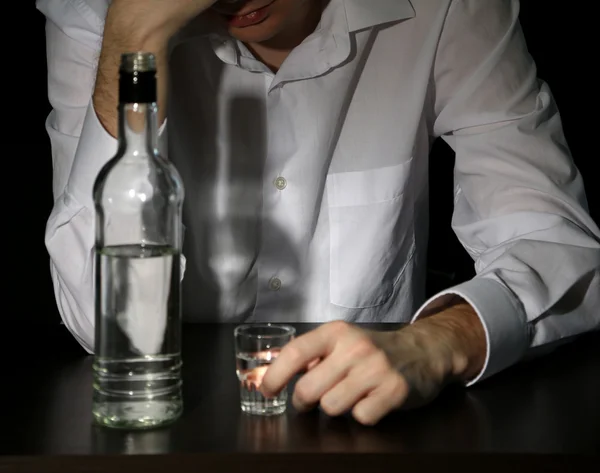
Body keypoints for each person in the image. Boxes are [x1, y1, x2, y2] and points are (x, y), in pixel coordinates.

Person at [38, 0, 599, 425]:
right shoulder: (99, 16)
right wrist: (134, 37)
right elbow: (105, 327)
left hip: (373, 434)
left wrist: (443, 340)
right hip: (166, 434)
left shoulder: (447, 8)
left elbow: (557, 244)